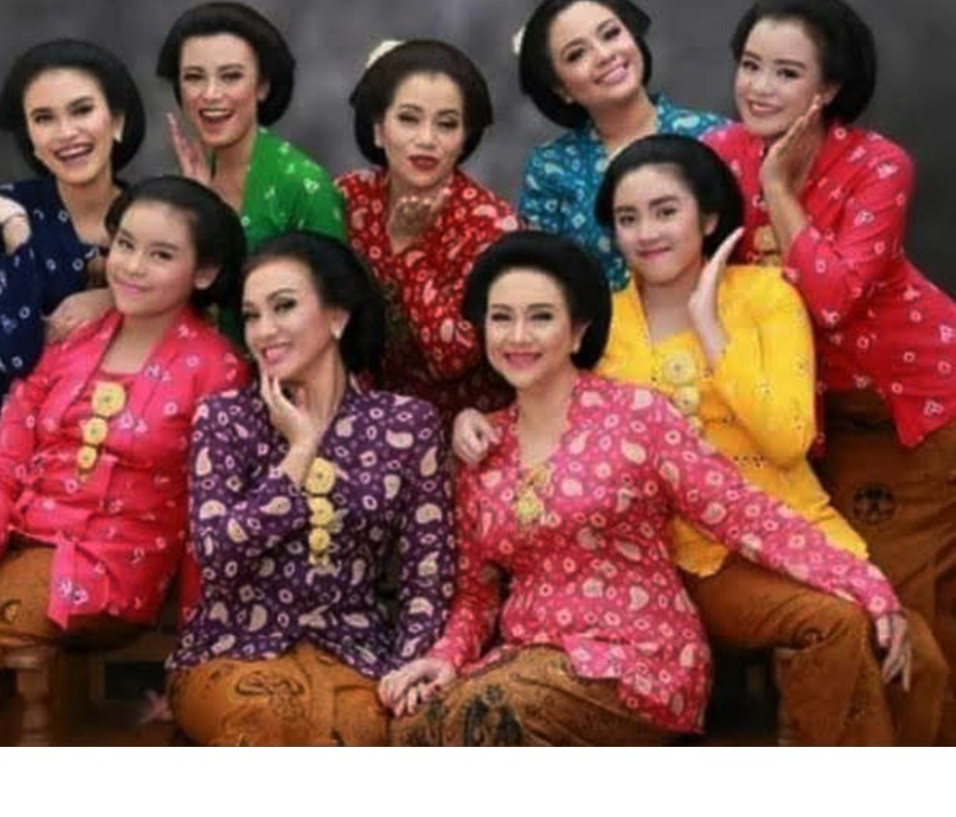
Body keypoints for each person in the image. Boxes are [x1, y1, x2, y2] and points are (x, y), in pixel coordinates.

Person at [383, 231, 907, 746]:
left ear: (578, 331)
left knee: (488, 714)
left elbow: (743, 513)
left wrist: (864, 583)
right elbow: (476, 593)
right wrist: (445, 658)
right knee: (413, 728)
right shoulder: (483, 446)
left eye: (540, 317)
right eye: (501, 318)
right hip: (529, 660)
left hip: (640, 660)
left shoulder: (638, 415)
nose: (518, 336)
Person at [590, 133, 946, 744]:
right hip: (697, 555)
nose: (646, 233)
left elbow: (787, 438)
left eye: (665, 211)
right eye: (628, 219)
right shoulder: (603, 324)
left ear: (708, 218)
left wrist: (710, 329)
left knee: (919, 661)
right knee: (839, 626)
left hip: (801, 529)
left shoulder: (765, 295)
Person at [702, 0, 956, 733]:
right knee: (870, 608)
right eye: (750, 65)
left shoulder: (879, 164)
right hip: (801, 420)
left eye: (786, 72)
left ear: (830, 88)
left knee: (896, 614)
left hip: (905, 404)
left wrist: (778, 188)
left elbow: (834, 297)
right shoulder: (717, 155)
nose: (759, 87)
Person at [0, 176, 250, 745]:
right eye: (125, 244)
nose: (132, 266)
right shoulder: (69, 340)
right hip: (14, 551)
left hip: (109, 570)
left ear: (203, 273)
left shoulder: (218, 368)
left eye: (161, 255)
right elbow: (2, 467)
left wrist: (195, 648)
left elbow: (211, 518)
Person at [167, 231, 456, 746]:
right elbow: (218, 557)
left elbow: (428, 575)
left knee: (362, 734)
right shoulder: (225, 418)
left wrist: (408, 666)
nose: (264, 330)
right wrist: (299, 452)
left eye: (283, 307)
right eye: (251, 315)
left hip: (354, 654)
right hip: (232, 652)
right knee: (263, 722)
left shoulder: (407, 424)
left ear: (337, 316)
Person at [0, 39, 145, 595]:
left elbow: (185, 306)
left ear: (117, 120)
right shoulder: (3, 208)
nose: (66, 132)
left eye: (82, 110)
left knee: (19, 607)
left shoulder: (152, 215)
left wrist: (108, 297)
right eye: (44, 118)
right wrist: (18, 236)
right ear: (29, 137)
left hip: (79, 455)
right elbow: (13, 351)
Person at [337, 39, 517, 426]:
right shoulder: (350, 197)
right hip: (357, 421)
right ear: (378, 130)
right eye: (409, 119)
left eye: (446, 124)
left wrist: (407, 251)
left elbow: (452, 359)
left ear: (465, 138)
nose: (427, 139)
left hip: (461, 431)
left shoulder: (490, 224)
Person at [515, 0, 726, 289]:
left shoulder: (714, 136)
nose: (604, 55)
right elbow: (541, 282)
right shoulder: (549, 168)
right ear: (561, 89)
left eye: (611, 34)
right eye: (576, 54)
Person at [156, 1, 345, 250]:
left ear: (263, 86)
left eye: (231, 76)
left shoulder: (305, 186)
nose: (210, 94)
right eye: (194, 77)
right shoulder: (187, 176)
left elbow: (332, 274)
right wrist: (198, 203)